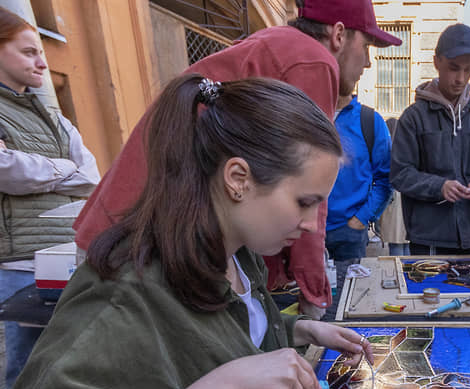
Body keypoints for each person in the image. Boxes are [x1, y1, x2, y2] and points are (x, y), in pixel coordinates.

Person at [0, 74, 375, 389]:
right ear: (238, 179)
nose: (309, 223)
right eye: (304, 202)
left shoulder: (240, 255)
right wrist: (225, 387)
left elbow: (215, 331)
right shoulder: (121, 298)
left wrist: (295, 330)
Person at [71, 0, 401, 320]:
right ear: (339, 35)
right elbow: (308, 179)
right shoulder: (312, 60)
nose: (368, 63)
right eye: (367, 45)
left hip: (128, 231)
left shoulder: (273, 44)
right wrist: (314, 291)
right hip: (136, 250)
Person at [0, 7, 99, 389]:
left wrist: (44, 171)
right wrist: (62, 170)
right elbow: (5, 169)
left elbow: (91, 176)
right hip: (18, 260)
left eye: (41, 52)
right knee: (26, 365)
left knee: (64, 351)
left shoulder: (53, 117)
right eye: (28, 53)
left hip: (59, 251)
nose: (41, 62)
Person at [391, 23, 470, 256]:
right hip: (428, 238)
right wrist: (439, 187)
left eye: (468, 69)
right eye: (454, 68)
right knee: (427, 294)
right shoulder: (413, 118)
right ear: (437, 62)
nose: (461, 78)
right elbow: (400, 174)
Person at [325, 90, 392, 318]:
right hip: (303, 234)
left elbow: (385, 179)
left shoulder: (370, 121)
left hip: (348, 237)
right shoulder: (304, 115)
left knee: (346, 311)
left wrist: (361, 219)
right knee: (307, 315)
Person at [378, 118, 410, 256]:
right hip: (407, 201)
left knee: (396, 247)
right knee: (406, 246)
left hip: (392, 201)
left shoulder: (385, 149)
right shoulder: (408, 147)